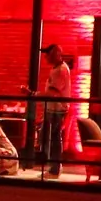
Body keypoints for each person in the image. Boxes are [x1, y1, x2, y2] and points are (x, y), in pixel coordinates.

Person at [36, 42, 72, 177]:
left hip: (57, 110)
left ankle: (55, 167)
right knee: (49, 137)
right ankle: (54, 166)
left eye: (49, 54)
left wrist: (33, 94)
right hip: (54, 109)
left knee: (53, 138)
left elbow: (53, 93)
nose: (46, 57)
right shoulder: (57, 69)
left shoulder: (60, 70)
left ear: (57, 54)